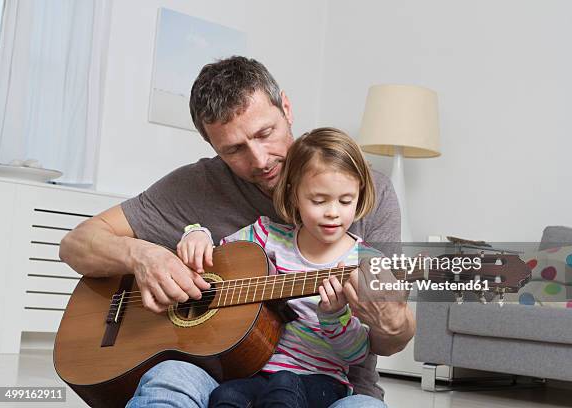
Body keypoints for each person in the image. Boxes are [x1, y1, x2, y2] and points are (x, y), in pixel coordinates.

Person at [59, 56, 415, 408]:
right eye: (234, 149)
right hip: (218, 377)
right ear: (212, 146)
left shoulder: (366, 191)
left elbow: (391, 341)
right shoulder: (195, 186)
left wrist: (391, 320)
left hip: (334, 385)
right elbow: (76, 243)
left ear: (286, 108)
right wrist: (142, 255)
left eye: (265, 133)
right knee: (166, 381)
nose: (259, 159)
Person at [187, 128, 382, 408]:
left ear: (360, 195)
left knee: (285, 384)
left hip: (323, 381)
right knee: (225, 395)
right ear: (294, 194)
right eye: (318, 200)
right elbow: (215, 263)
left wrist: (334, 316)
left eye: (345, 201)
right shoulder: (266, 236)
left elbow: (357, 355)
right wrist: (197, 234)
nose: (333, 212)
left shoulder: (366, 263)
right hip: (258, 371)